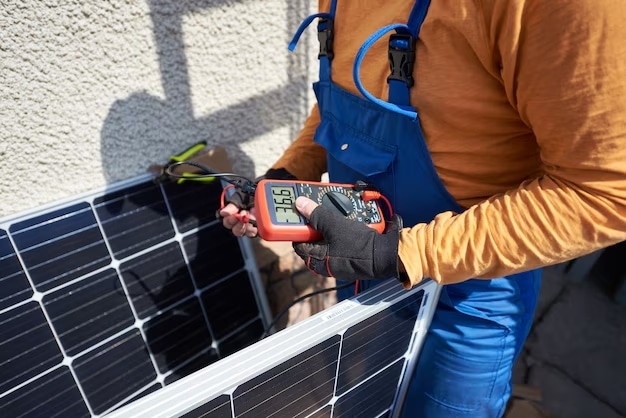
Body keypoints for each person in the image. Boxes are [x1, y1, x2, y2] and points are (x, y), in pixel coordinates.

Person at [220, 0, 626, 416]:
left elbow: (606, 193)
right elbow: (343, 97)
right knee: (365, 403)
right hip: (361, 279)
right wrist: (289, 172)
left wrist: (402, 253)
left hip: (466, 302)